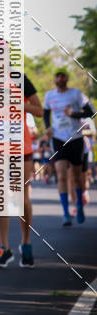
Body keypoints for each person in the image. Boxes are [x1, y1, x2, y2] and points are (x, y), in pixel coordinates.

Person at [0, 53, 43, 268]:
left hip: (19, 145)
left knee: (21, 196)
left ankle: (26, 243)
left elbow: (39, 111)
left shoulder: (20, 78)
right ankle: (4, 248)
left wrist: (18, 103)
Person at [43, 70, 95, 226]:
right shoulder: (49, 96)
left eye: (63, 76)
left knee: (78, 177)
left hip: (76, 138)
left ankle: (79, 205)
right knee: (61, 176)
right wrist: (47, 127)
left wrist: (73, 114)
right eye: (57, 76)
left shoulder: (77, 94)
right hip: (58, 138)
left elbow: (91, 112)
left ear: (67, 78)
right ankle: (65, 213)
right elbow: (46, 113)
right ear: (55, 79)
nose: (60, 78)